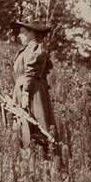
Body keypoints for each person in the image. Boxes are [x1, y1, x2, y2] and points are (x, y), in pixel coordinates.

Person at [11, 18, 59, 155]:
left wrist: (26, 93)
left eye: (23, 32)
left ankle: (45, 158)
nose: (19, 35)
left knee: (37, 123)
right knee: (23, 126)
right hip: (24, 89)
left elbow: (31, 71)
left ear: (31, 33)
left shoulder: (35, 47)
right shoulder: (27, 49)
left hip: (32, 91)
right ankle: (28, 159)